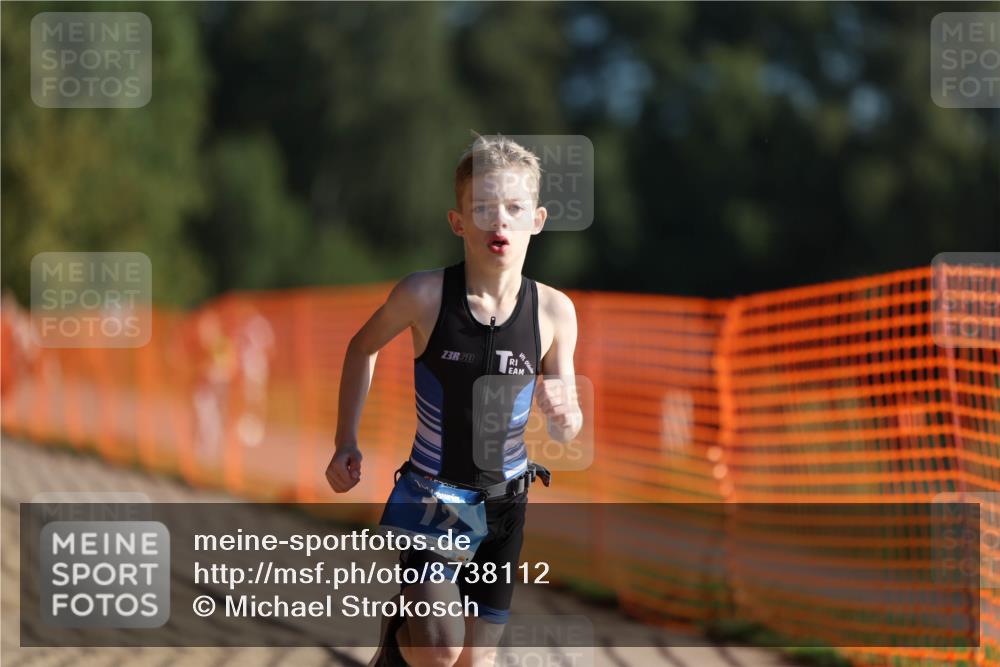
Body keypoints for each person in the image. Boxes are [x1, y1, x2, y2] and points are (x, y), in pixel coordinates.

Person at [326, 134, 583, 667]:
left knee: (472, 661)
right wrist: (344, 440)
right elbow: (360, 348)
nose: (499, 221)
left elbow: (568, 424)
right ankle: (406, 639)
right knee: (441, 650)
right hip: (434, 493)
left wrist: (566, 413)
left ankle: (401, 636)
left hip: (506, 501)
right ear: (457, 222)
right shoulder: (424, 295)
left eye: (513, 209)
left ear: (537, 220)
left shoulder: (555, 312)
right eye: (483, 208)